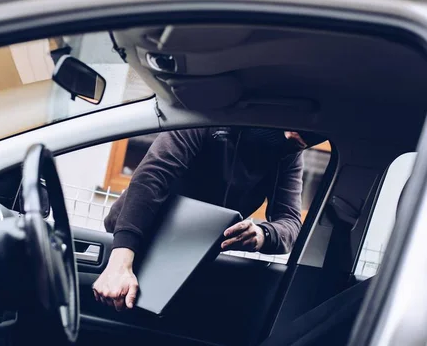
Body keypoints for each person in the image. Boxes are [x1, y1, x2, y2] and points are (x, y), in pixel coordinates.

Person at [92, 127, 326, 311]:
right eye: (292, 134)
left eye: (302, 142)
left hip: (195, 260)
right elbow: (153, 175)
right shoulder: (206, 117)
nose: (294, 140)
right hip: (139, 243)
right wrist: (120, 263)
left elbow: (291, 221)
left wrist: (262, 235)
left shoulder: (289, 153)